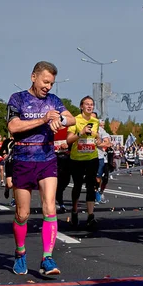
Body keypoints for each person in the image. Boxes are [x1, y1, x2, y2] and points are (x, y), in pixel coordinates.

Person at [7, 61, 75, 276]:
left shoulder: (53, 101)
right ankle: (20, 253)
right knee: (22, 213)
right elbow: (13, 126)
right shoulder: (17, 98)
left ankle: (47, 258)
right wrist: (44, 119)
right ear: (33, 77)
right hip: (23, 158)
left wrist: (60, 119)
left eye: (51, 83)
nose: (48, 87)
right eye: (45, 81)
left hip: (47, 158)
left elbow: (71, 119)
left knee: (50, 208)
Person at [66, 96, 101, 230]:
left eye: (92, 104)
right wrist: (80, 133)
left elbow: (96, 136)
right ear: (81, 106)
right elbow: (68, 140)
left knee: (91, 185)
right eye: (87, 104)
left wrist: (97, 139)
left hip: (92, 157)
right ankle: (74, 211)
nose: (89, 106)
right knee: (78, 186)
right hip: (77, 159)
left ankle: (90, 216)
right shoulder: (75, 120)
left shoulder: (95, 121)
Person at [92, 113, 111, 204]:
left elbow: (108, 143)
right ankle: (94, 196)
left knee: (102, 178)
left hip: (101, 157)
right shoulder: (82, 127)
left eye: (103, 125)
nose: (102, 126)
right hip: (85, 156)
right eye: (101, 125)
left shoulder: (101, 131)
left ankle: (99, 194)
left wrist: (98, 144)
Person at [53, 126, 71, 214]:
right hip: (53, 158)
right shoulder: (51, 128)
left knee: (65, 181)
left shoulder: (69, 128)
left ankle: (58, 196)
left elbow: (74, 140)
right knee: (54, 181)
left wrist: (68, 145)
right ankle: (59, 203)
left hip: (67, 158)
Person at [0, 135, 15, 206]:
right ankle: (7, 188)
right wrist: (4, 154)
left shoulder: (21, 140)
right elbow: (1, 151)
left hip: (19, 163)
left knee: (16, 183)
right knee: (10, 184)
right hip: (9, 163)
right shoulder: (7, 141)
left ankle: (14, 199)